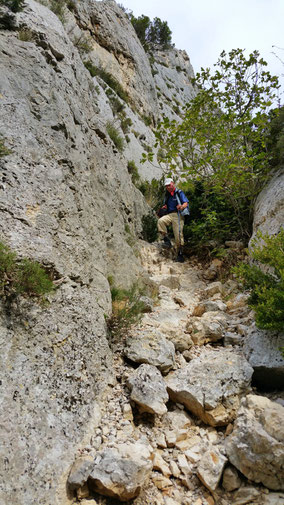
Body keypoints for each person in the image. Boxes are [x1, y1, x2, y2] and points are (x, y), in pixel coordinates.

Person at [157, 178, 189, 262]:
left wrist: (181, 207)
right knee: (160, 221)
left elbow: (186, 203)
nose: (168, 187)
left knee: (178, 235)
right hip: (170, 214)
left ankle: (180, 254)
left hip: (178, 214)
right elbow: (166, 205)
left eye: (169, 185)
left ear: (173, 183)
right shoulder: (167, 195)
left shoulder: (179, 192)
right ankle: (167, 240)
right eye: (166, 186)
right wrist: (164, 208)